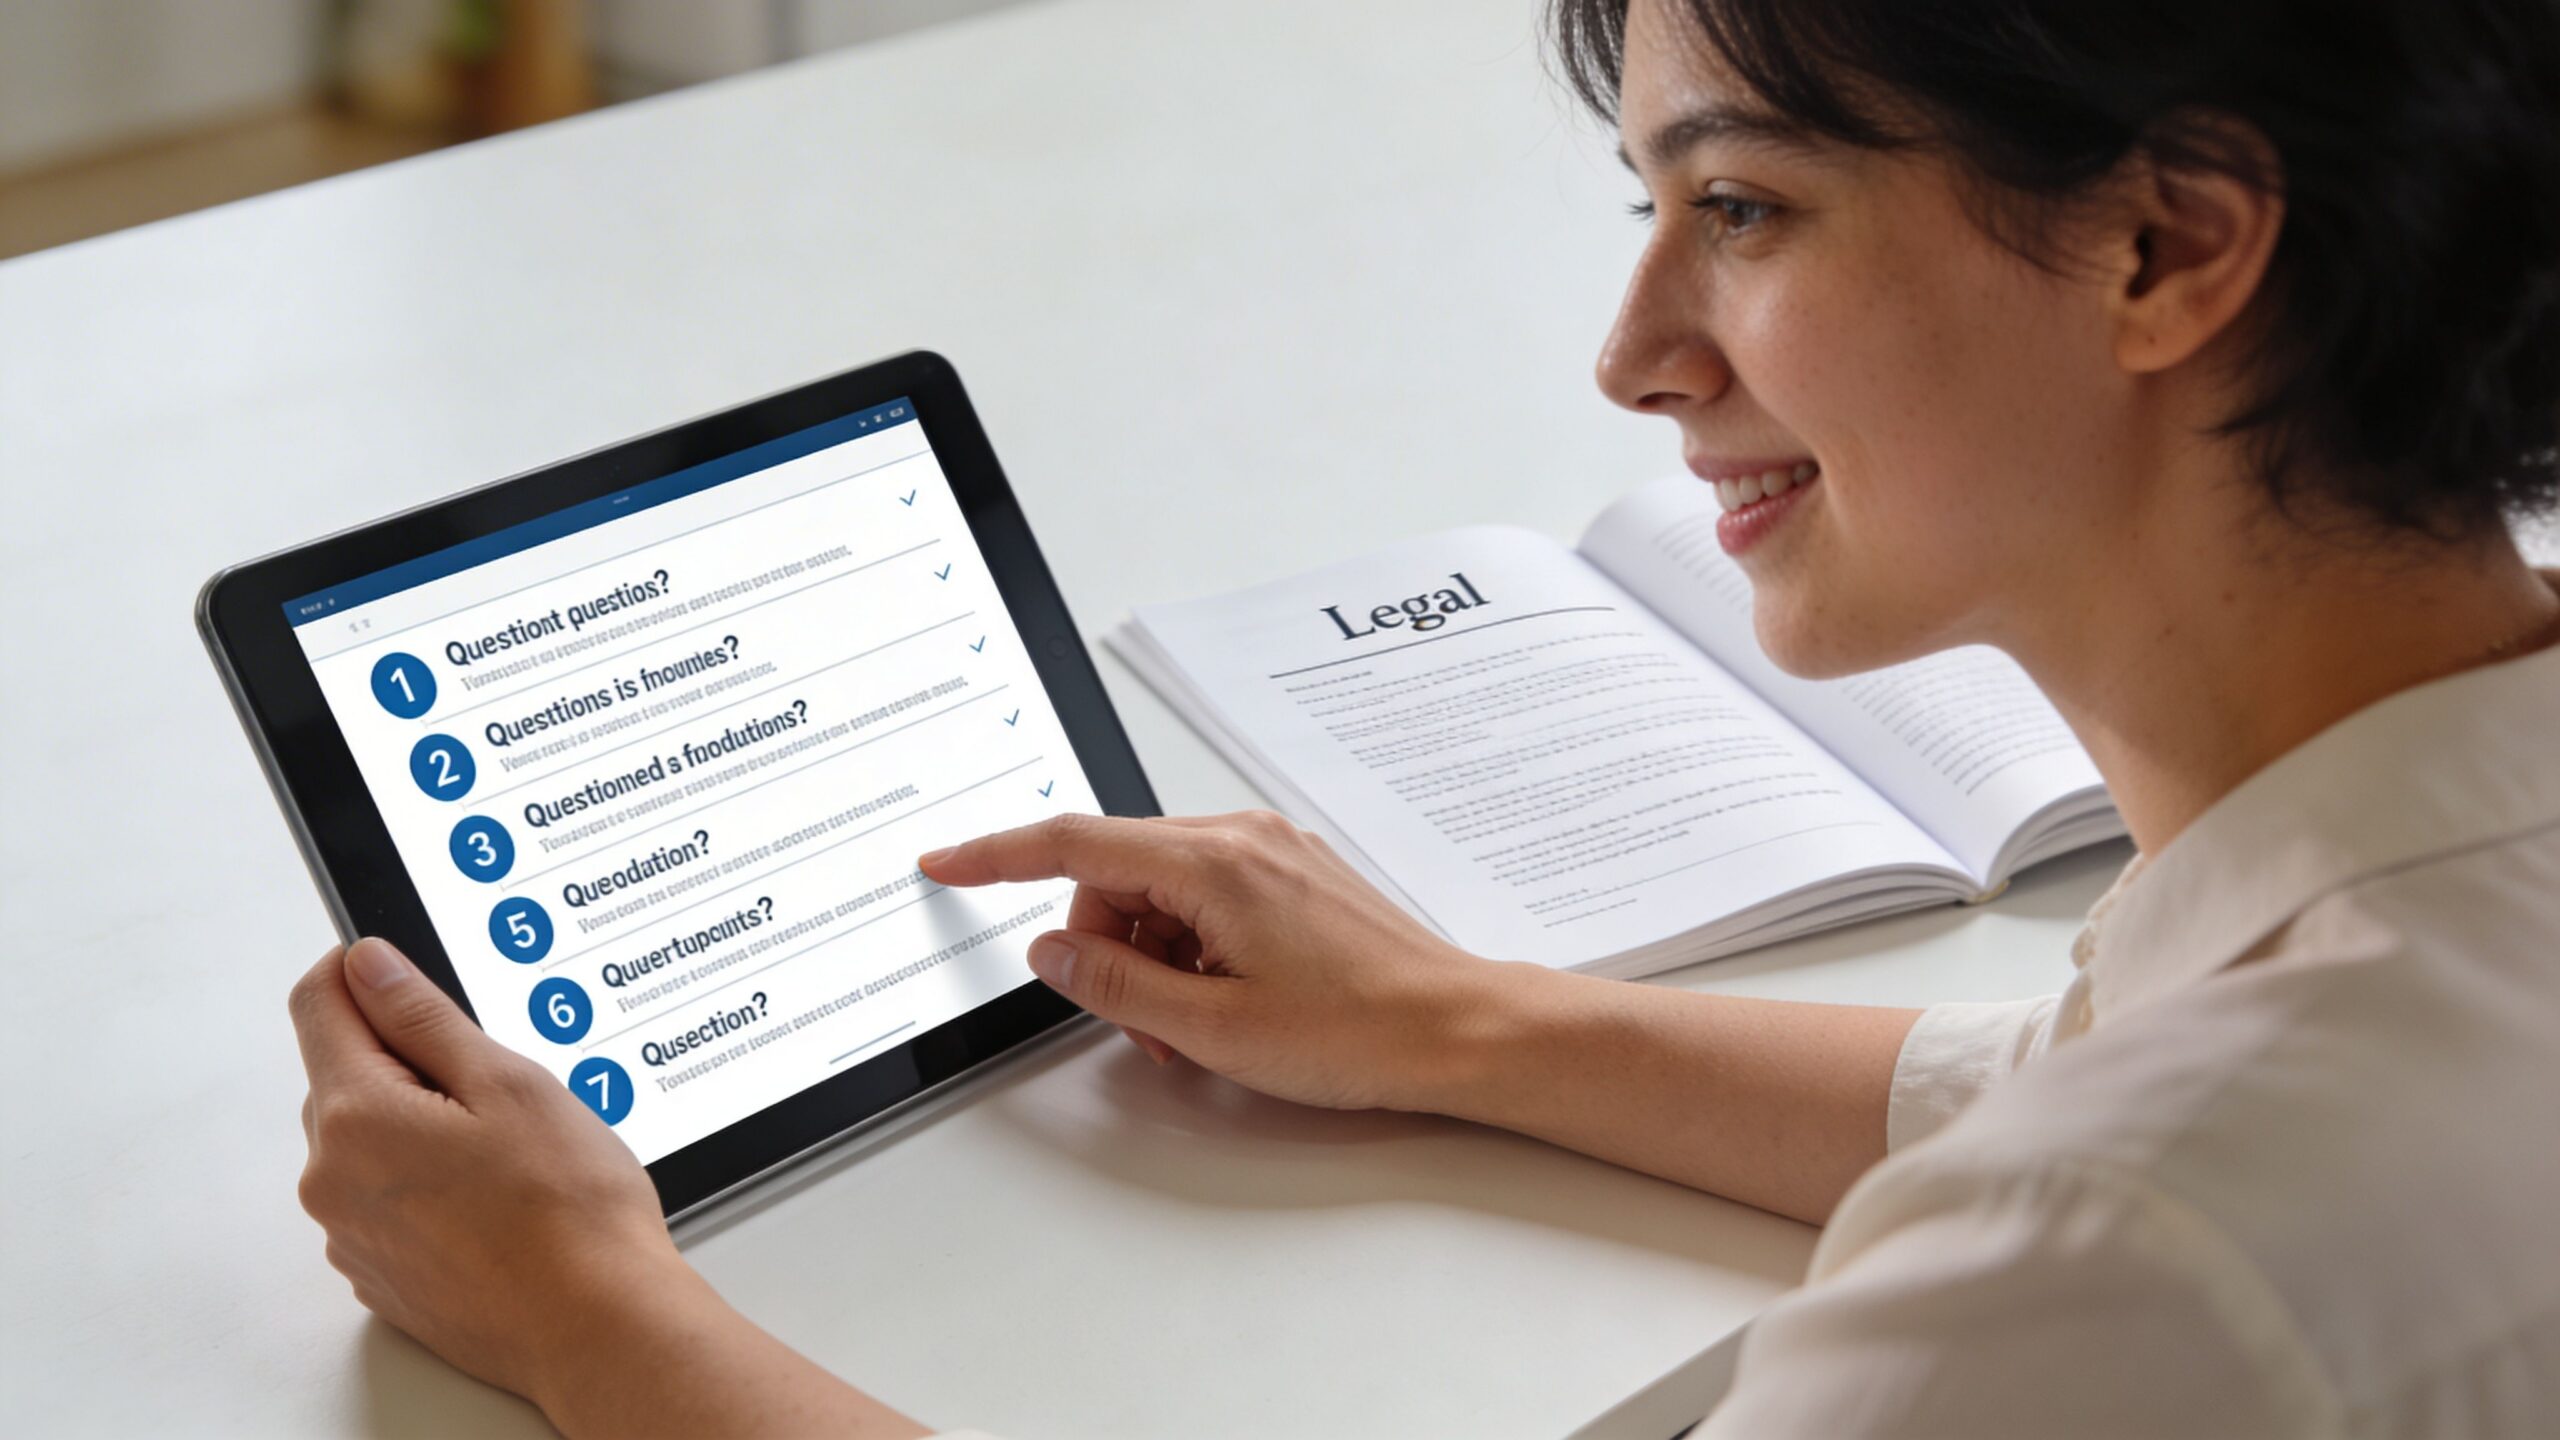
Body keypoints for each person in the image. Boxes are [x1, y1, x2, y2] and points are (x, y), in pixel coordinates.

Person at [284, 0, 2560, 1433]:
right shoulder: (2412, 862)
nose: (1635, 352)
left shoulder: (2122, 1261)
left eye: (1742, 207)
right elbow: (2058, 1071)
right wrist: (1466, 1024)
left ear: (2167, 250)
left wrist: (595, 1326)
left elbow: (2110, 1188)